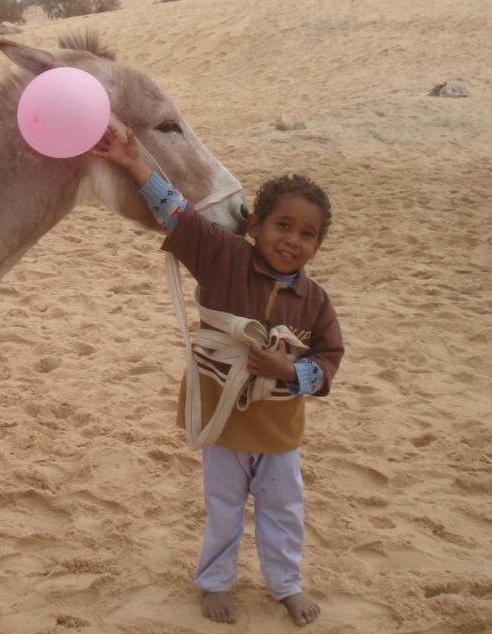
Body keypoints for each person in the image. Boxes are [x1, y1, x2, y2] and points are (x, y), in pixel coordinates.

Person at [92, 125, 344, 627]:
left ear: (318, 245)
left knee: (283, 514)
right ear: (254, 225)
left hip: (280, 436)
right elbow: (176, 213)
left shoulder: (315, 302)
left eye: (307, 234)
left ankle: (286, 584)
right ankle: (214, 582)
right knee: (224, 510)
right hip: (223, 426)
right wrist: (134, 162)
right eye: (282, 226)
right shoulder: (223, 257)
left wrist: (290, 370)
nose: (291, 240)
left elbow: (330, 360)